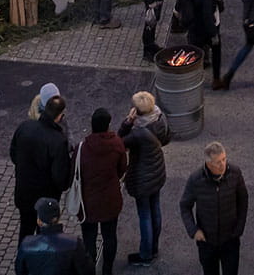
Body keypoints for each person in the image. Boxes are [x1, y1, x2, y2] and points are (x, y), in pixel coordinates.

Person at [181, 140, 249, 275]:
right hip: (207, 242)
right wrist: (194, 231)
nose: (223, 164)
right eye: (218, 162)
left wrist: (239, 227)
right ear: (208, 163)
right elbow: (184, 206)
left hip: (230, 239)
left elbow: (243, 199)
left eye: (224, 159)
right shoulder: (196, 179)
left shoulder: (235, 173)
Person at [12, 92, 73, 239]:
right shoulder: (58, 141)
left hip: (24, 193)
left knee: (25, 230)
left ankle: (23, 259)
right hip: (46, 198)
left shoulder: (24, 127)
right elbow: (60, 177)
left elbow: (13, 154)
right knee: (44, 236)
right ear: (59, 116)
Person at [121, 91, 172, 264]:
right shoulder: (159, 118)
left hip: (142, 178)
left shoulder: (137, 133)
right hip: (157, 173)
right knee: (155, 209)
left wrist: (128, 122)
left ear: (137, 111)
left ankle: (145, 254)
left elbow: (119, 141)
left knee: (145, 215)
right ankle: (154, 247)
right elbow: (167, 137)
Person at [75, 112, 128, 275]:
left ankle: (90, 270)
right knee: (110, 237)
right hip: (110, 200)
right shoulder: (117, 144)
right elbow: (122, 169)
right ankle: (107, 270)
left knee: (89, 239)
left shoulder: (82, 147)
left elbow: (75, 172)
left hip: (88, 202)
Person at [16, 198, 93, 275]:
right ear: (58, 218)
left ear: (39, 221)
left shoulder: (27, 244)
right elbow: (86, 270)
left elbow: (20, 270)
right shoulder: (74, 243)